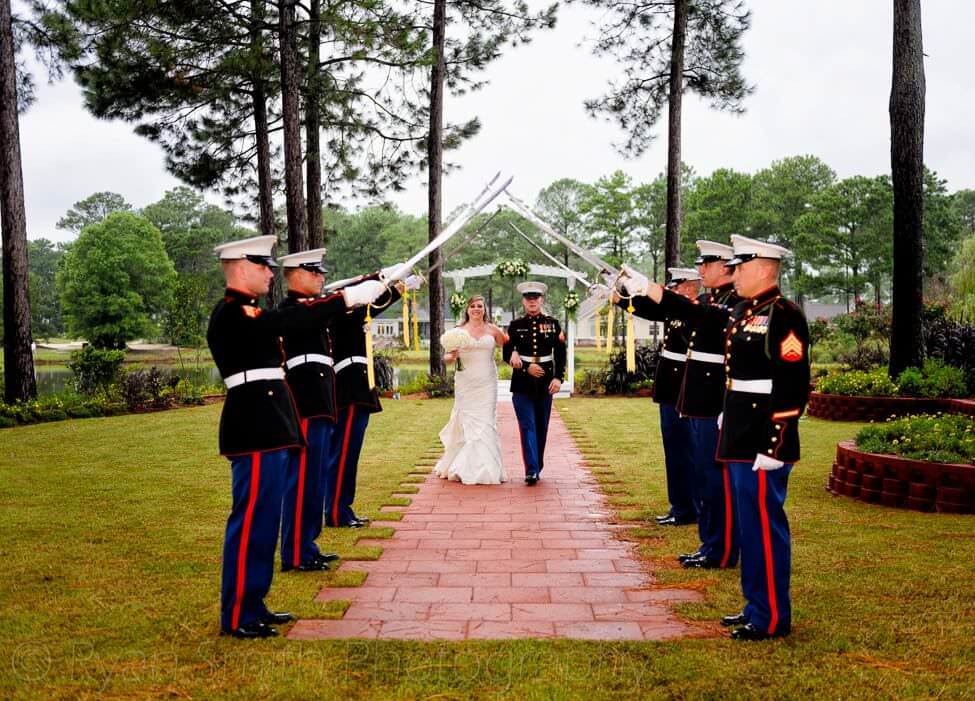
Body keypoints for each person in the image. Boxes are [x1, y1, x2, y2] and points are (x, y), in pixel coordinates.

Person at [621, 234, 810, 641]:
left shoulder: (785, 315)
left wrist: (775, 444)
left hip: (763, 439)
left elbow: (793, 385)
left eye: (740, 266)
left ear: (763, 268)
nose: (734, 273)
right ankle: (755, 607)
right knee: (749, 526)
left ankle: (772, 616)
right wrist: (649, 291)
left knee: (764, 528)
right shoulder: (742, 310)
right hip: (739, 433)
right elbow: (698, 316)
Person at [207, 235, 385, 639]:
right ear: (240, 266)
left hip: (271, 423)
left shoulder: (251, 311)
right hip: (253, 425)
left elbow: (297, 319)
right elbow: (291, 320)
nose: (272, 272)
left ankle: (254, 603)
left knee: (266, 520)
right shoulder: (233, 313)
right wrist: (348, 298)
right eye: (263, 265)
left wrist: (360, 292)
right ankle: (237, 614)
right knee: (251, 519)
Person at [324, 271, 422, 527]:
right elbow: (373, 306)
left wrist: (396, 284)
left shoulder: (352, 315)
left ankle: (342, 508)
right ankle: (336, 511)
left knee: (349, 455)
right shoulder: (342, 315)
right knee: (343, 455)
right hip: (349, 391)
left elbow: (370, 306)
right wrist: (397, 288)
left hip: (357, 390)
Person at [617, 268, 701, 526]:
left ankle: (689, 508)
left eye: (676, 287)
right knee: (674, 451)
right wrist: (620, 296)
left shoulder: (697, 312)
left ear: (689, 287)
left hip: (684, 387)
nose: (671, 291)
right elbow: (648, 309)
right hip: (670, 389)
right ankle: (680, 505)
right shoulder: (676, 310)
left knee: (686, 451)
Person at [276, 249, 342, 573]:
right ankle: (295, 552)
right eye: (315, 272)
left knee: (315, 479)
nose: (321, 277)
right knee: (301, 480)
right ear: (297, 274)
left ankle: (307, 545)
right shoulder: (292, 310)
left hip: (320, 403)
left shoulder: (310, 310)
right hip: (305, 401)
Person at [435, 295, 508, 484]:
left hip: (487, 382)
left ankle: (487, 469)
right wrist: (452, 356)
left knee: (485, 422)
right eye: (473, 306)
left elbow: (509, 345)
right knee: (467, 423)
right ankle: (461, 466)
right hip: (466, 383)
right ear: (467, 310)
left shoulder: (493, 330)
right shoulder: (458, 332)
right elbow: (446, 358)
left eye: (480, 306)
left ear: (485, 310)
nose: (476, 309)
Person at [502, 281, 567, 486]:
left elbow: (561, 354)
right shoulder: (515, 325)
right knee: (527, 425)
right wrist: (524, 366)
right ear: (523, 301)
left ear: (541, 300)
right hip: (522, 382)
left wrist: (558, 378)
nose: (532, 302)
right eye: (528, 299)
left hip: (546, 381)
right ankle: (531, 470)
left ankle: (537, 465)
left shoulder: (553, 324)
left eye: (536, 298)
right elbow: (506, 353)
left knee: (541, 426)